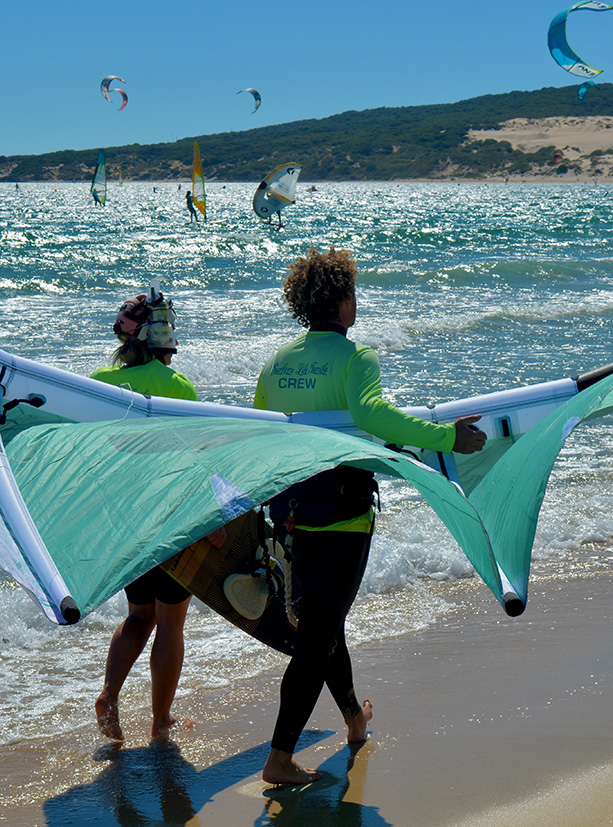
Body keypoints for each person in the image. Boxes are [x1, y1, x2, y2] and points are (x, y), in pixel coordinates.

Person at [253, 247, 486, 785]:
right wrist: (449, 437)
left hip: (290, 515)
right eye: (353, 294)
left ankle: (355, 720)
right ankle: (280, 758)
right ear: (341, 301)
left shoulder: (276, 364)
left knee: (323, 623)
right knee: (317, 637)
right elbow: (373, 414)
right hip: (341, 516)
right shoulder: (359, 359)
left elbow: (259, 432)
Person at [91, 288, 216, 740]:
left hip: (125, 519)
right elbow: (197, 456)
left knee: (138, 616)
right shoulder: (176, 386)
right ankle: (161, 722)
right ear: (165, 339)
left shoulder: (98, 381)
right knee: (170, 623)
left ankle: (109, 693)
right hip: (170, 515)